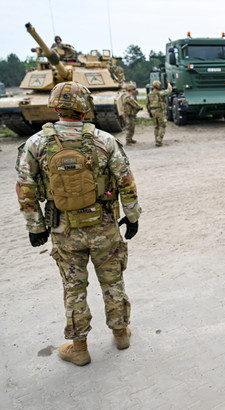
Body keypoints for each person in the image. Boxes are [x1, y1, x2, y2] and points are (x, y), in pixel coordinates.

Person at [15, 81, 142, 366]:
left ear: (55, 106)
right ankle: (121, 333)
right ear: (85, 108)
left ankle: (80, 348)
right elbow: (126, 182)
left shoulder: (36, 144)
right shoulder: (104, 140)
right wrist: (132, 217)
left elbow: (26, 188)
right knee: (112, 280)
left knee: (74, 288)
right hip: (104, 226)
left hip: (64, 229)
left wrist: (35, 227)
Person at [146, 80, 172, 147]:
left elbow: (147, 104)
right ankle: (159, 141)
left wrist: (149, 112)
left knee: (156, 126)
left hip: (153, 111)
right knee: (162, 126)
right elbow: (169, 90)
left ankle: (156, 139)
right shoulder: (161, 93)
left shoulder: (150, 94)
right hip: (160, 111)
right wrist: (169, 83)